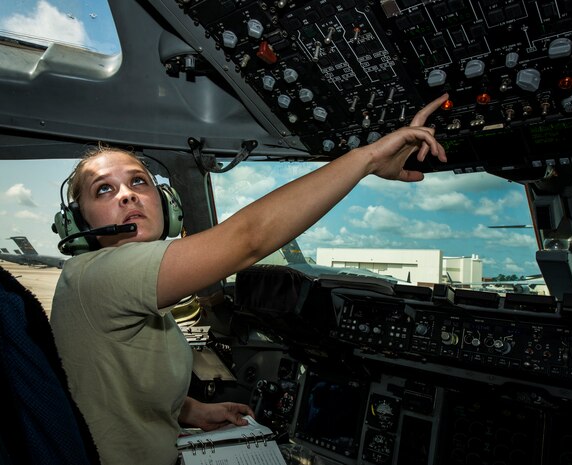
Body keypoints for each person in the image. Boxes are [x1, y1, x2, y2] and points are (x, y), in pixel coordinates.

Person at [49, 93, 448, 465]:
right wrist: (368, 159)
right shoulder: (98, 275)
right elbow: (249, 240)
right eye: (104, 190)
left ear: (164, 202)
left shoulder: (145, 287)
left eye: (139, 182)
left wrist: (194, 411)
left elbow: (126, 386)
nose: (127, 195)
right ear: (79, 224)